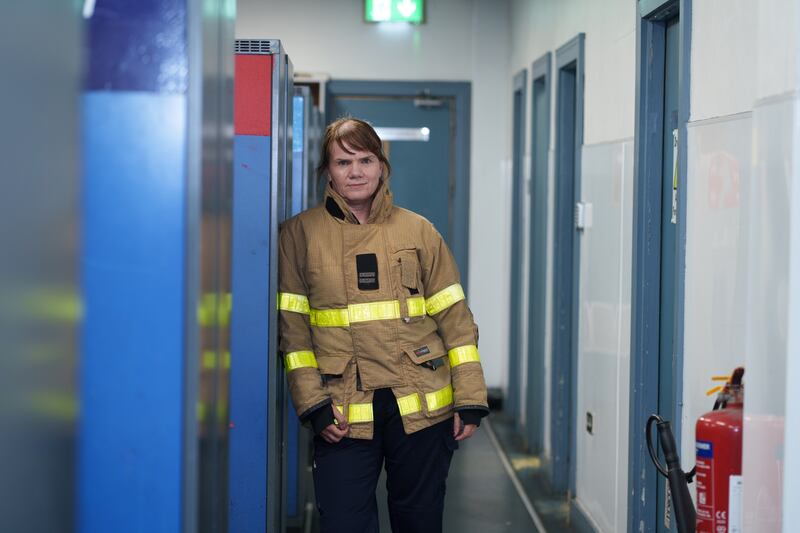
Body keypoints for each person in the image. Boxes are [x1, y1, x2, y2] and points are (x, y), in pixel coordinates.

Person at [278, 117, 489, 533]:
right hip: (343, 410)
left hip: (421, 404)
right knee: (343, 522)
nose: (355, 172)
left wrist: (469, 396)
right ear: (327, 171)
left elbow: (455, 319)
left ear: (381, 166)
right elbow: (294, 331)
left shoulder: (419, 230)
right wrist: (313, 404)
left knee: (419, 520)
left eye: (365, 160)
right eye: (343, 162)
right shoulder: (299, 235)